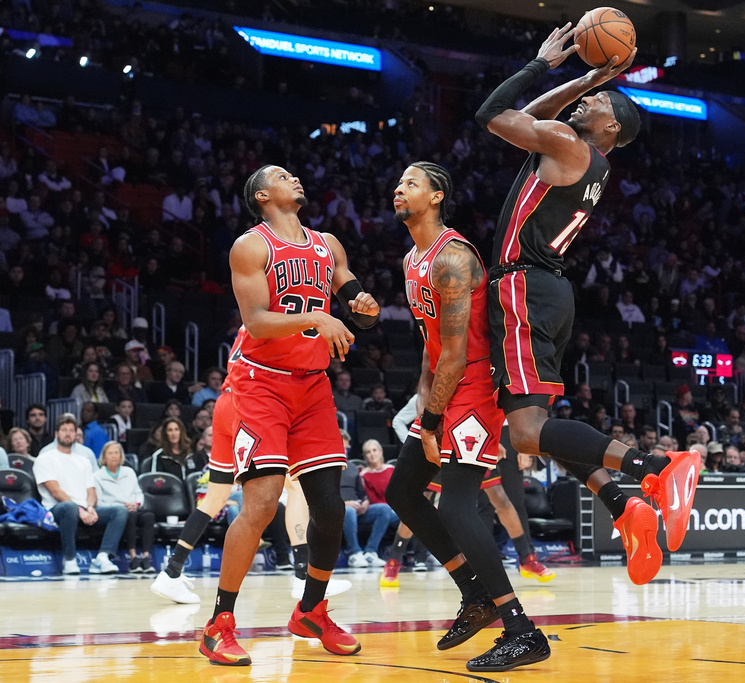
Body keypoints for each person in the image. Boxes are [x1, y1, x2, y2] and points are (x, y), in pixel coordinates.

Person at [475, 24, 696, 587]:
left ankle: (656, 467)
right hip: (545, 290)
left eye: (596, 100)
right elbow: (535, 118)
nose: (586, 100)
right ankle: (627, 510)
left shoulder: (569, 147)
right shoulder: (580, 154)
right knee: (537, 427)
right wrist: (592, 76)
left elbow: (494, 113)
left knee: (525, 434)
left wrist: (543, 63)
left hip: (523, 287)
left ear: (611, 126)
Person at [198, 164, 378, 666]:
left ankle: (312, 611)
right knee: (260, 504)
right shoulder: (250, 246)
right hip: (260, 384)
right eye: (282, 175)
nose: (294, 178)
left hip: (312, 386)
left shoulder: (328, 243)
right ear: (261, 194)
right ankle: (219, 624)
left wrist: (361, 305)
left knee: (330, 507)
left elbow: (351, 298)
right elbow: (256, 323)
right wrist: (318, 318)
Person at [384, 161, 548, 672]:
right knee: (402, 492)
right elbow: (433, 349)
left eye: (411, 183)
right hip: (444, 387)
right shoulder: (413, 258)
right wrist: (423, 402)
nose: (399, 188)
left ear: (436, 197)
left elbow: (455, 354)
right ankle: (474, 593)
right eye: (399, 181)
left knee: (457, 507)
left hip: (473, 388)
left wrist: (430, 422)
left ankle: (521, 628)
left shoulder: (451, 258)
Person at [152, 329, 350, 605]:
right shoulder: (278, 318)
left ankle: (172, 571)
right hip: (250, 401)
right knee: (298, 486)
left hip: (225, 403)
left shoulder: (253, 319)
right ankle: (302, 574)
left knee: (216, 496)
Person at [33, 415, 128, 575]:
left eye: (72, 431)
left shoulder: (83, 460)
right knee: (69, 507)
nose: (68, 434)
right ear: (56, 434)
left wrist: (90, 507)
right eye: (64, 430)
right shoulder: (45, 458)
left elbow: (91, 490)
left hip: (84, 510)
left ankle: (102, 558)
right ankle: (69, 560)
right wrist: (80, 510)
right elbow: (55, 491)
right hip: (56, 511)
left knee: (119, 511)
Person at [94, 441, 155, 573]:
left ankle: (146, 558)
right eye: (110, 453)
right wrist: (119, 507)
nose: (114, 456)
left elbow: (139, 493)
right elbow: (98, 502)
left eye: (116, 453)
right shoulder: (98, 476)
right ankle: (133, 559)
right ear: (104, 457)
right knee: (129, 516)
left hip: (133, 507)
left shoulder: (129, 472)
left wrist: (136, 504)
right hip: (116, 511)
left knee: (149, 516)